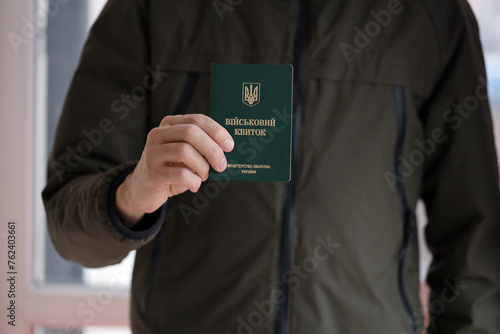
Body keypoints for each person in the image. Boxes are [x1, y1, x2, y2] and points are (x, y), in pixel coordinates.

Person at [42, 0, 500, 333]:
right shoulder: (151, 9)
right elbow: (68, 227)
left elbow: (475, 239)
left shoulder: (430, 15)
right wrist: (131, 195)